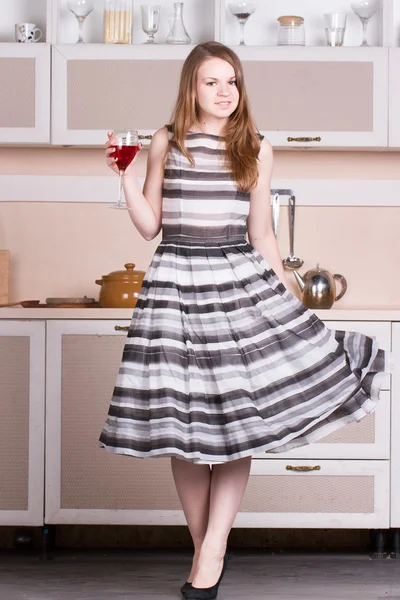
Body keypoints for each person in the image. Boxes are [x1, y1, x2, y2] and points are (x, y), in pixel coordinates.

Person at [99, 41, 389, 600]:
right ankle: (205, 550)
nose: (225, 91)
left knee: (236, 431)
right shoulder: (166, 140)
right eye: (212, 82)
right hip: (176, 289)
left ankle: (213, 551)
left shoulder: (256, 147)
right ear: (191, 88)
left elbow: (263, 238)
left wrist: (292, 303)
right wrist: (127, 180)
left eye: (231, 80)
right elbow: (149, 225)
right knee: (185, 434)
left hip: (237, 289)